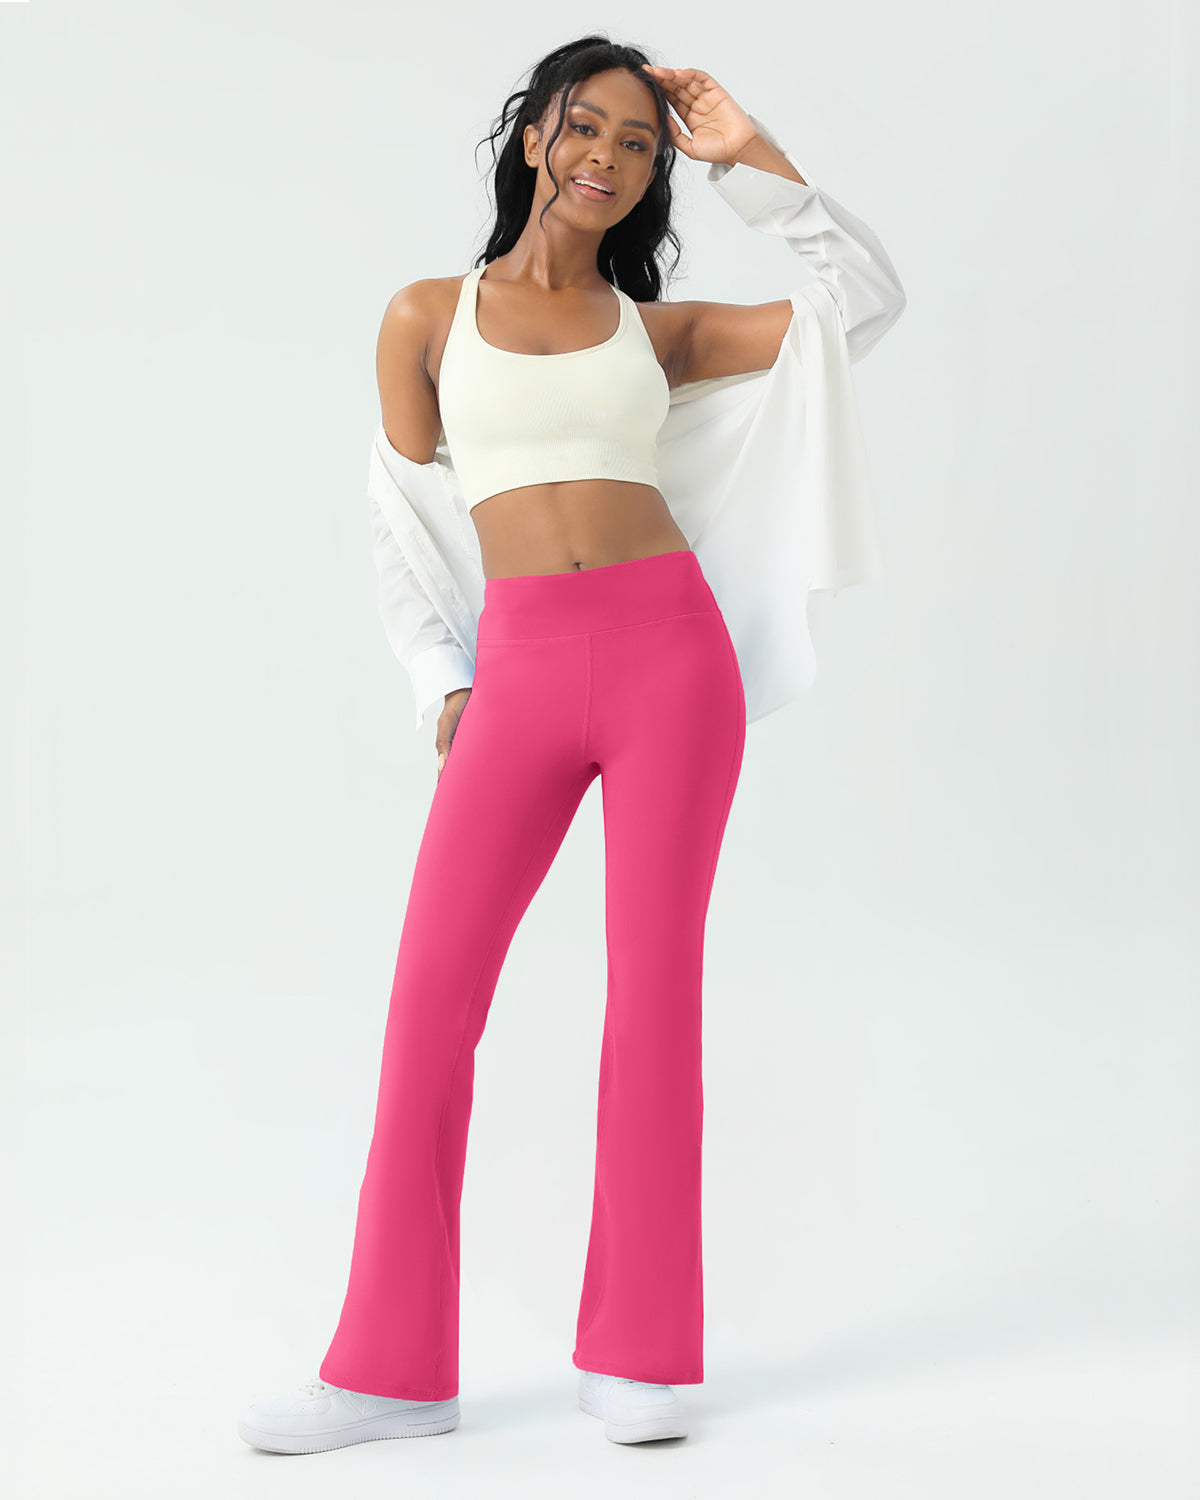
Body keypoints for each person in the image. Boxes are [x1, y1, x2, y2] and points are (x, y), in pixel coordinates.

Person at [237, 36, 905, 1456]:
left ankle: (643, 1354)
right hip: (523, 675)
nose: (610, 156)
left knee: (653, 1001)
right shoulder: (426, 316)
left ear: (657, 174)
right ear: (535, 134)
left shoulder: (655, 334)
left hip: (672, 663)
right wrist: (443, 677)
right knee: (430, 1004)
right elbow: (399, 514)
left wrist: (752, 161)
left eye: (641, 145)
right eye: (587, 127)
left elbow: (862, 303)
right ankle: (389, 1372)